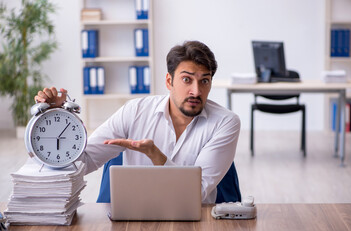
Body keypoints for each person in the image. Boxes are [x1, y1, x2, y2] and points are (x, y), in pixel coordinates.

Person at [35, 40, 241, 203]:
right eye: (187, 79)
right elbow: (84, 160)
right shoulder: (135, 111)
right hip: (133, 220)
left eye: (204, 81)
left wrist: (156, 156)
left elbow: (195, 193)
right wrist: (56, 120)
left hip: (194, 221)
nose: (196, 91)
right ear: (169, 81)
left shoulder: (225, 123)